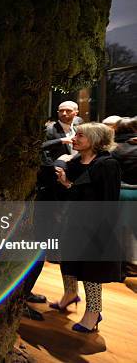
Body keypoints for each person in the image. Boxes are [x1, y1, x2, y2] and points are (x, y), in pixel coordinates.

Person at [53, 122, 121, 332]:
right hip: (73, 222)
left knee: (91, 272)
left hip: (95, 226)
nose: (74, 138)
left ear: (95, 140)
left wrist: (68, 186)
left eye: (80, 135)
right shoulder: (75, 161)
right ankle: (69, 294)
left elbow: (105, 200)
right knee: (69, 262)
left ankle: (93, 313)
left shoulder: (107, 165)